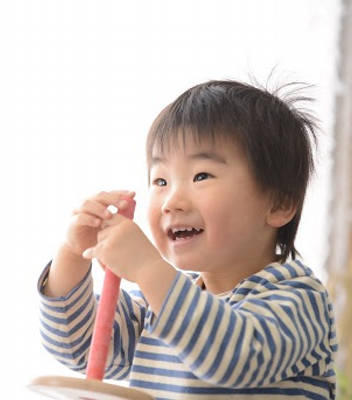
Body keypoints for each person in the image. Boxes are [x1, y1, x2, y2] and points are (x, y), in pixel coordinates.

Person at [38, 79, 338, 399]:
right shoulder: (159, 307)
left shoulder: (299, 297)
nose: (171, 201)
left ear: (278, 204)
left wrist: (147, 268)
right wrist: (71, 253)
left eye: (201, 176)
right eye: (161, 180)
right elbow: (75, 345)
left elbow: (232, 358)